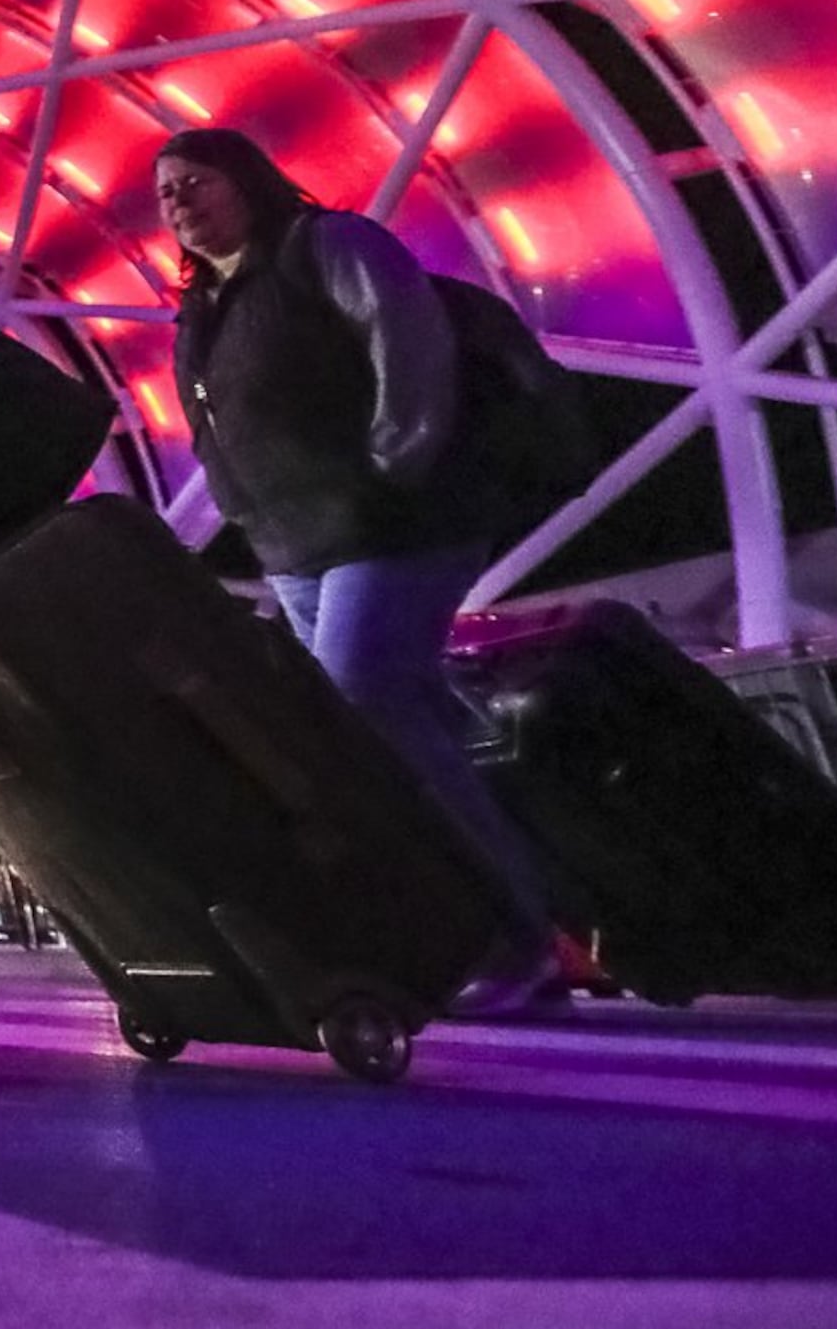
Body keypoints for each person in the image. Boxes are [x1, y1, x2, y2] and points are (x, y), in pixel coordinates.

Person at [156, 125, 567, 1015]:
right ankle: (484, 920)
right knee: (388, 730)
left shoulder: (326, 247)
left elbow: (407, 340)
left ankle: (518, 938)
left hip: (391, 524)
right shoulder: (205, 308)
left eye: (196, 181)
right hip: (293, 547)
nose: (179, 202)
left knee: (366, 699)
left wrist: (397, 460)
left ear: (247, 178)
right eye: (166, 193)